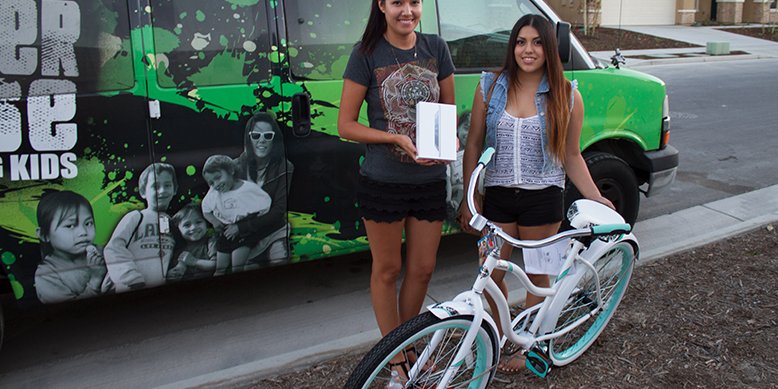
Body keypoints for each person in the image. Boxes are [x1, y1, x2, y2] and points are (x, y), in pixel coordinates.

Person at [458, 14, 614, 373]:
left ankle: (527, 346)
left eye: (537, 42)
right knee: (490, 273)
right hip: (497, 195)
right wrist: (471, 195)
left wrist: (595, 197)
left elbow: (571, 156)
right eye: (521, 42)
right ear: (512, 47)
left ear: (549, 48)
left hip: (543, 199)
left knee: (538, 277)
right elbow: (473, 144)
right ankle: (493, 342)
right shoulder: (490, 86)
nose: (528, 50)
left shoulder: (567, 95)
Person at [337, 0, 455, 377]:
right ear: (382, 6)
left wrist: (447, 144)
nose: (408, 10)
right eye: (398, 3)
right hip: (383, 182)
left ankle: (407, 343)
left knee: (422, 270)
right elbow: (346, 125)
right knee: (387, 270)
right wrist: (394, 139)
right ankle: (397, 360)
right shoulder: (366, 54)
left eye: (415, 2)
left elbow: (448, 113)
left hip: (430, 181)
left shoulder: (436, 48)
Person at [105, 163, 178, 293]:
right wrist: (132, 278)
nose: (162, 191)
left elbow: (166, 251)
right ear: (143, 192)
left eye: (167, 185)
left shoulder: (169, 222)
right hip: (130, 288)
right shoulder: (136, 217)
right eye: (155, 186)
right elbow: (113, 248)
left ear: (174, 189)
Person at [233, 112, 294, 267]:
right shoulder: (235, 167)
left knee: (279, 260)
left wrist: (242, 227)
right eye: (256, 136)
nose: (262, 141)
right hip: (245, 236)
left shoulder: (285, 167)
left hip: (273, 231)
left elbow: (279, 210)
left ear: (274, 140)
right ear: (249, 138)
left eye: (268, 136)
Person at [34, 191, 111, 304]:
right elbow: (67, 312)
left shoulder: (105, 251)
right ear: (44, 235)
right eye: (70, 226)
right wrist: (95, 280)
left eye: (88, 223)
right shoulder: (46, 274)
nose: (83, 232)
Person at [201, 155, 271, 275]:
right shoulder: (214, 194)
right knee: (220, 269)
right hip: (225, 230)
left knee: (237, 267)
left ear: (231, 171)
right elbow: (206, 210)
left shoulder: (248, 189)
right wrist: (214, 221)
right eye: (211, 182)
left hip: (243, 231)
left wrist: (248, 223)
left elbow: (266, 205)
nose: (216, 184)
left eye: (218, 178)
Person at [167, 204, 217, 280]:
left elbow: (217, 264)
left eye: (198, 222)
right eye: (187, 225)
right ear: (178, 229)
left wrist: (195, 261)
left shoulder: (211, 242)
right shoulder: (177, 249)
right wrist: (172, 273)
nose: (193, 227)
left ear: (206, 223)